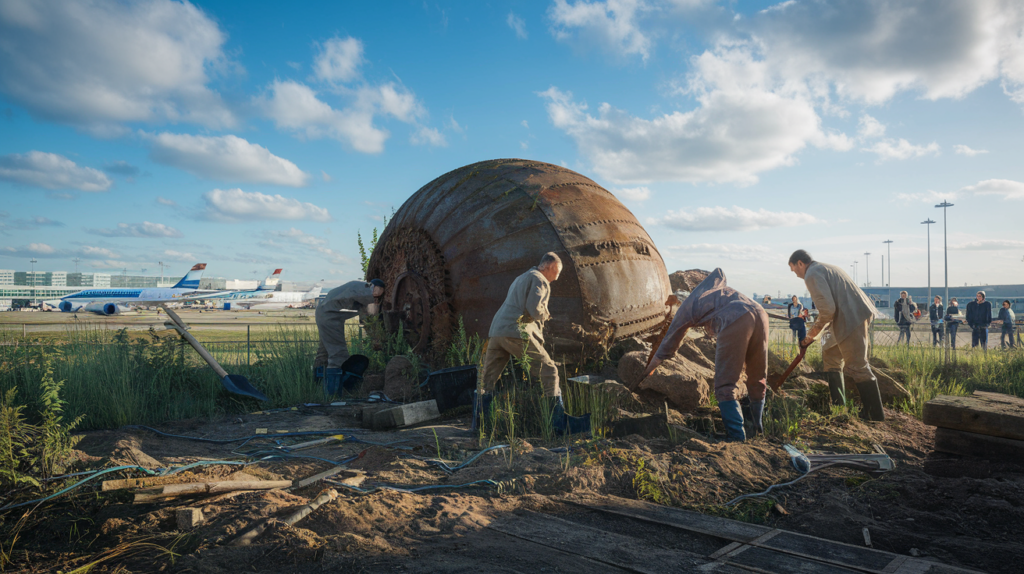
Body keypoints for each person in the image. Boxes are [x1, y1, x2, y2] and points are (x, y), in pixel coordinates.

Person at [643, 268, 767, 441]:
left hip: (735, 318)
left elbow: (671, 338)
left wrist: (650, 368)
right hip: (760, 312)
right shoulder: (715, 292)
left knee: (725, 383)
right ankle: (757, 429)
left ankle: (736, 436)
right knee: (757, 374)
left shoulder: (688, 306)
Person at [477, 252, 589, 435]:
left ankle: (481, 425)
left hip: (497, 331)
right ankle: (557, 425)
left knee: (487, 381)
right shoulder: (540, 279)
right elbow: (535, 310)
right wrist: (548, 316)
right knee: (550, 371)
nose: (557, 278)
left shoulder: (521, 277)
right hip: (515, 331)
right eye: (557, 272)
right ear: (549, 267)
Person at [788, 250, 885, 421]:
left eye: (793, 268)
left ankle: (874, 414)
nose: (794, 273)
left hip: (851, 318)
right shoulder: (825, 268)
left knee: (857, 365)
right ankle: (839, 408)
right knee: (831, 357)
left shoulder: (812, 274)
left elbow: (827, 311)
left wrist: (810, 337)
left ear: (800, 263)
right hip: (844, 317)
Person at [314, 278, 384, 393]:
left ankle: (318, 387)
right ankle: (334, 393)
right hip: (331, 318)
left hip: (323, 313)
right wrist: (375, 338)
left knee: (324, 352)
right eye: (378, 291)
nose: (377, 295)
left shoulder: (356, 287)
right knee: (338, 355)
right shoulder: (366, 292)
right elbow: (369, 316)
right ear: (373, 287)